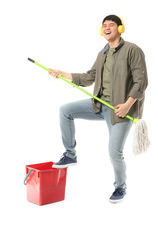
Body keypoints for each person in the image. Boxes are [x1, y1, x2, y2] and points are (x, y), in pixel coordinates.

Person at [48, 15, 148, 203]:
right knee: (65, 110)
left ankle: (120, 187)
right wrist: (63, 74)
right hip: (99, 105)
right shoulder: (102, 53)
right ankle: (70, 154)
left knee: (114, 153)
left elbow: (141, 82)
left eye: (111, 25)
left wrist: (127, 105)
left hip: (120, 111)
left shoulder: (133, 50)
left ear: (120, 29)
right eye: (104, 26)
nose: (107, 28)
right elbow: (89, 77)